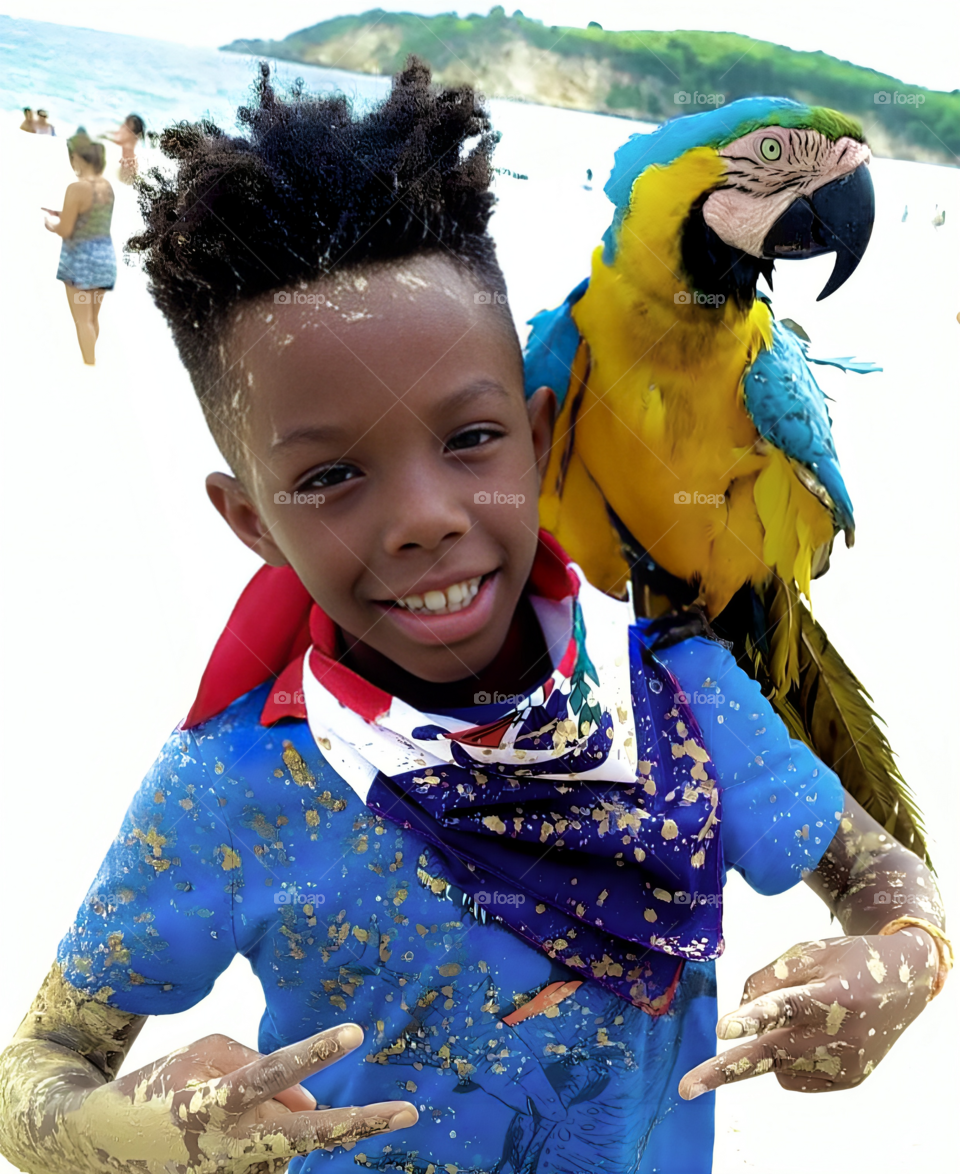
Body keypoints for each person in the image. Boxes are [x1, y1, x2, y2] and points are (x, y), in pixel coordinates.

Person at [0, 60, 950, 1174]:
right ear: (250, 521)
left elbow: (886, 877)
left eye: (470, 441)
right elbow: (37, 1070)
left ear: (542, 437)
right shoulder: (233, 783)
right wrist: (134, 1131)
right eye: (330, 478)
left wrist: (903, 961)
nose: (422, 519)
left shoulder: (678, 698)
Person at [42, 132, 116, 365]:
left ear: (79, 160)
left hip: (80, 263)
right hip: (104, 260)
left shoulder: (76, 188)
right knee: (92, 319)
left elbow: (65, 230)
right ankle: (91, 361)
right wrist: (65, 214)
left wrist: (51, 224)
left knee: (82, 321)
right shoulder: (107, 187)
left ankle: (90, 367)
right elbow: (91, 218)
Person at [102, 112, 146, 184]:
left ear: (132, 136)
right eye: (123, 125)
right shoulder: (127, 159)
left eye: (125, 127)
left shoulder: (129, 167)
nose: (120, 128)